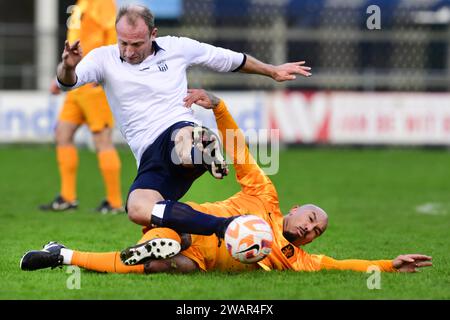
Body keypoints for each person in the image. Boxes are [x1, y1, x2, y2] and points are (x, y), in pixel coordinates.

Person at [20, 90, 432, 274]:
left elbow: (341, 266)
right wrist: (219, 108)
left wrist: (387, 266)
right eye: (310, 217)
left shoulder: (293, 259)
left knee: (170, 265)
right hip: (184, 220)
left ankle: (64, 254)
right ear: (294, 209)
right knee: (172, 241)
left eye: (315, 231)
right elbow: (241, 154)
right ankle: (159, 240)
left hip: (197, 260)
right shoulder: (263, 195)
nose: (310, 228)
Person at [54, 4, 313, 228]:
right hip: (148, 155)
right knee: (138, 208)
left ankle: (203, 149)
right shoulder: (102, 58)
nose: (129, 51)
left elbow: (228, 59)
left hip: (178, 130)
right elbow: (69, 82)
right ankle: (224, 228)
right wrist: (68, 65)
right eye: (123, 43)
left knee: (183, 137)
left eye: (137, 44)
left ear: (153, 34)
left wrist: (272, 71)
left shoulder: (178, 47)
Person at [40, 0, 124, 214]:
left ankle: (114, 202)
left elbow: (112, 35)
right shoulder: (82, 3)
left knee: (101, 140)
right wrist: (61, 76)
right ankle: (68, 198)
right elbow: (74, 41)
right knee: (62, 133)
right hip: (76, 81)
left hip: (93, 82)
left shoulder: (102, 2)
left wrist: (106, 69)